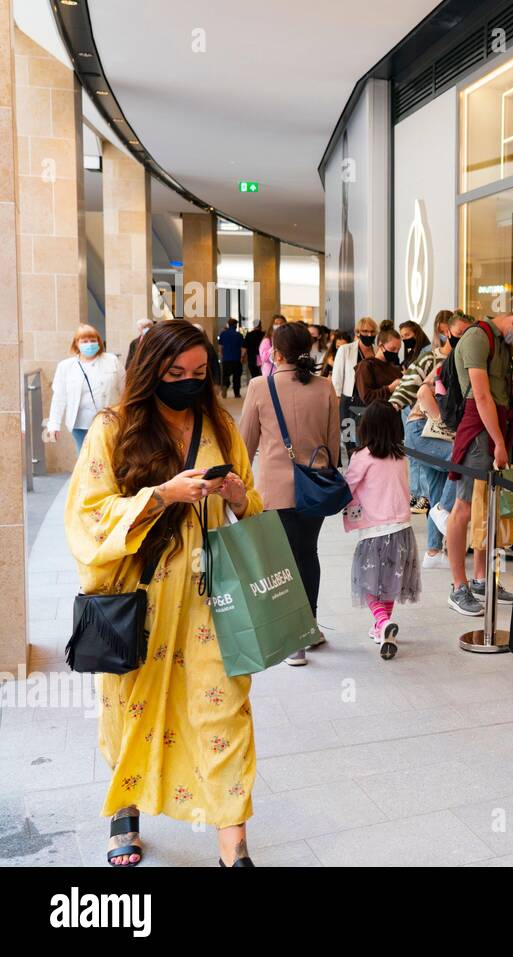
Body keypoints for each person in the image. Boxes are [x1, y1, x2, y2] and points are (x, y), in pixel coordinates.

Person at [64, 319, 262, 867]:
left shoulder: (219, 426)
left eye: (200, 373)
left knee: (225, 715)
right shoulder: (114, 427)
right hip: (141, 602)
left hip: (209, 600)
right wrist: (159, 496)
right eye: (176, 373)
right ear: (150, 372)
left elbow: (252, 510)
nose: (189, 383)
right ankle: (124, 812)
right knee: (132, 711)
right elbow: (87, 517)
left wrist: (242, 499)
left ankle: (234, 846)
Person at [238, 321, 339, 666]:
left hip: (273, 490)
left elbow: (245, 444)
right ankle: (308, 627)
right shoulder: (325, 387)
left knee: (281, 562)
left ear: (276, 353)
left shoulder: (259, 386)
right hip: (316, 487)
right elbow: (334, 443)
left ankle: (292, 638)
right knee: (307, 554)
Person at [445, 310, 513, 617]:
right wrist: (497, 441)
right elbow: (481, 396)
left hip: (498, 426)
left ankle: (482, 578)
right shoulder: (476, 337)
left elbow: (501, 395)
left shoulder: (503, 344)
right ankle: (458, 586)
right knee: (465, 506)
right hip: (481, 427)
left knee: (488, 506)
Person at [343, 401, 421, 660]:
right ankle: (382, 628)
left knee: (369, 583)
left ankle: (382, 622)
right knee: (390, 582)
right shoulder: (401, 457)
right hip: (402, 531)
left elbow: (348, 487)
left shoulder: (362, 456)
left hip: (375, 532)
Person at [413, 311, 472, 567]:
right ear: (447, 332)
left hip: (430, 432)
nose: (463, 339)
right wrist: (443, 424)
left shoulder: (465, 362)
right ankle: (442, 511)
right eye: (459, 333)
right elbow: (422, 391)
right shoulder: (441, 360)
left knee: (437, 484)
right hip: (420, 431)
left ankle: (433, 552)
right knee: (456, 459)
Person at [391, 313, 446, 515]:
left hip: (424, 414)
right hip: (422, 414)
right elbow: (418, 387)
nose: (405, 339)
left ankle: (425, 500)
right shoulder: (429, 353)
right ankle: (422, 498)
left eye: (407, 334)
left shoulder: (430, 352)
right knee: (425, 463)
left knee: (430, 470)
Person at [46, 324, 125, 454]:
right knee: (85, 461)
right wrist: (54, 425)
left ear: (99, 342)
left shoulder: (112, 360)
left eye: (93, 340)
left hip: (109, 421)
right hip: (80, 424)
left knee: (109, 458)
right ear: (76, 343)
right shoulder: (66, 366)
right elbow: (59, 398)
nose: (89, 344)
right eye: (85, 341)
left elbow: (125, 389)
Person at [331, 316, 379, 456]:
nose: (369, 335)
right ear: (358, 332)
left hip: (369, 400)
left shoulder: (376, 350)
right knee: (349, 439)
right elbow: (337, 376)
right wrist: (337, 399)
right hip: (349, 400)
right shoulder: (346, 349)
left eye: (372, 331)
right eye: (365, 331)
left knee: (366, 439)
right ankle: (353, 469)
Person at [355, 327, 405, 404]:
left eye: (398, 349)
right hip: (375, 413)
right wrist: (389, 388)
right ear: (381, 345)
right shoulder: (366, 366)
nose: (396, 352)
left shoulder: (394, 368)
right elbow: (367, 397)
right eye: (392, 349)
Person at [216, 318, 245, 399]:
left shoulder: (223, 334)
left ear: (228, 324)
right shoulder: (239, 335)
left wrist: (221, 355)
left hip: (226, 359)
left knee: (225, 375)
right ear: (235, 325)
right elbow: (242, 348)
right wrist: (242, 357)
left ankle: (225, 386)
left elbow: (220, 347)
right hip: (236, 358)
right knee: (237, 377)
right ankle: (237, 393)